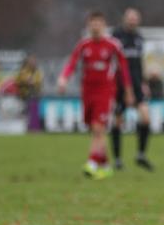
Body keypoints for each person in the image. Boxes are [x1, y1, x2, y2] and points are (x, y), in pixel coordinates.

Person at [58, 11, 135, 178]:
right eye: (93, 23)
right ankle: (106, 165)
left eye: (99, 23)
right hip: (87, 92)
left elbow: (124, 70)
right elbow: (72, 63)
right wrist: (63, 78)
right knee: (94, 129)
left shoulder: (113, 45)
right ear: (88, 25)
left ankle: (92, 162)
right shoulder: (83, 45)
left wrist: (129, 92)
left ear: (104, 25)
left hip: (106, 91)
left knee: (99, 128)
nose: (96, 26)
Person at [110, 8, 154, 171]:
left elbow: (139, 63)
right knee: (118, 121)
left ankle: (141, 155)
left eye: (135, 19)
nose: (132, 21)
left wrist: (144, 82)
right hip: (119, 84)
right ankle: (117, 159)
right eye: (130, 18)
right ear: (124, 19)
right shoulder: (116, 36)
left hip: (136, 84)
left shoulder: (139, 38)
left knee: (146, 118)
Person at [16, 54, 44, 131]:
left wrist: (33, 81)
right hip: (24, 96)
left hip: (35, 96)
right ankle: (25, 128)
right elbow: (18, 80)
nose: (33, 63)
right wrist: (26, 81)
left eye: (34, 61)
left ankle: (34, 127)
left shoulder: (38, 72)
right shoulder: (23, 71)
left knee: (34, 113)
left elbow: (39, 81)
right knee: (25, 113)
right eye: (31, 61)